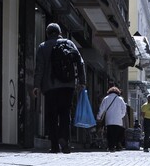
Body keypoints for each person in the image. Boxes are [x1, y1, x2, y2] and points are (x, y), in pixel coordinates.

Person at [32, 23, 86, 153]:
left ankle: (54, 145)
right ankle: (65, 140)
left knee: (51, 116)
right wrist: (82, 81)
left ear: (47, 33)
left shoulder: (43, 47)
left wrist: (36, 86)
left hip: (50, 87)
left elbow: (40, 68)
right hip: (68, 85)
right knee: (65, 114)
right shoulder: (69, 43)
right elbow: (80, 61)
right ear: (60, 32)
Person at [97, 86, 127, 152]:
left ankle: (111, 147)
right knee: (116, 133)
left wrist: (98, 117)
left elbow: (101, 109)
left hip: (109, 120)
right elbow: (124, 109)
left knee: (109, 133)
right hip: (118, 120)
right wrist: (120, 116)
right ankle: (116, 145)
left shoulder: (106, 98)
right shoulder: (120, 99)